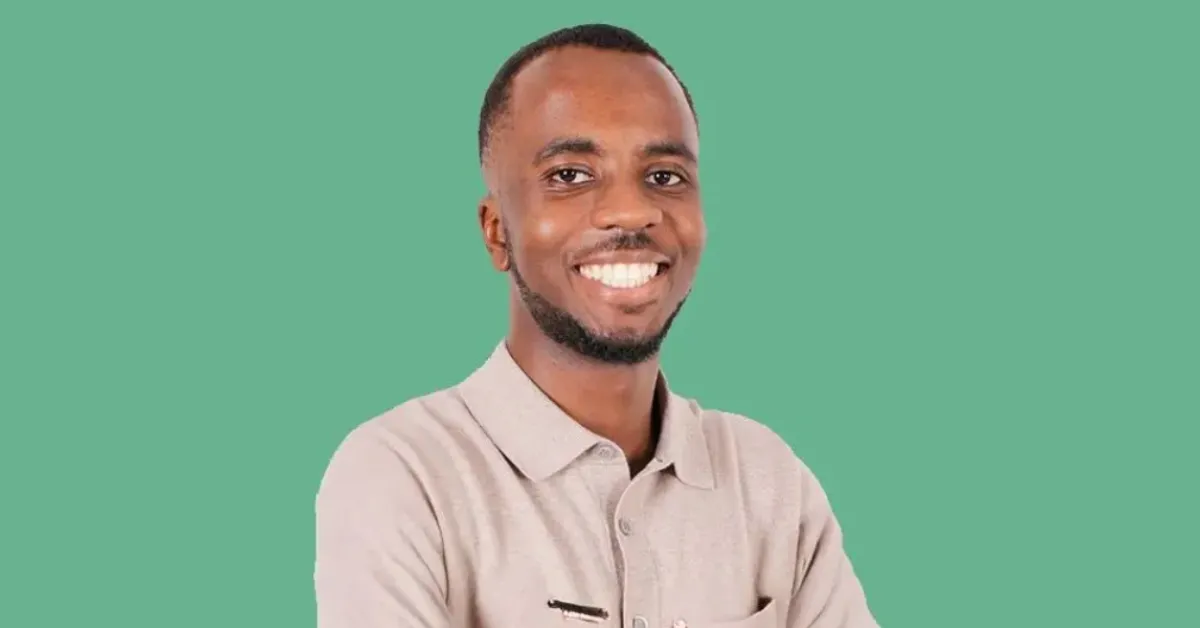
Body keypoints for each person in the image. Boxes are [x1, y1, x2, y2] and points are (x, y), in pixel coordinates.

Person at [314, 23, 879, 628]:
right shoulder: (402, 475)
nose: (632, 211)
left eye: (664, 176)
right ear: (497, 231)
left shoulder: (767, 480)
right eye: (570, 175)